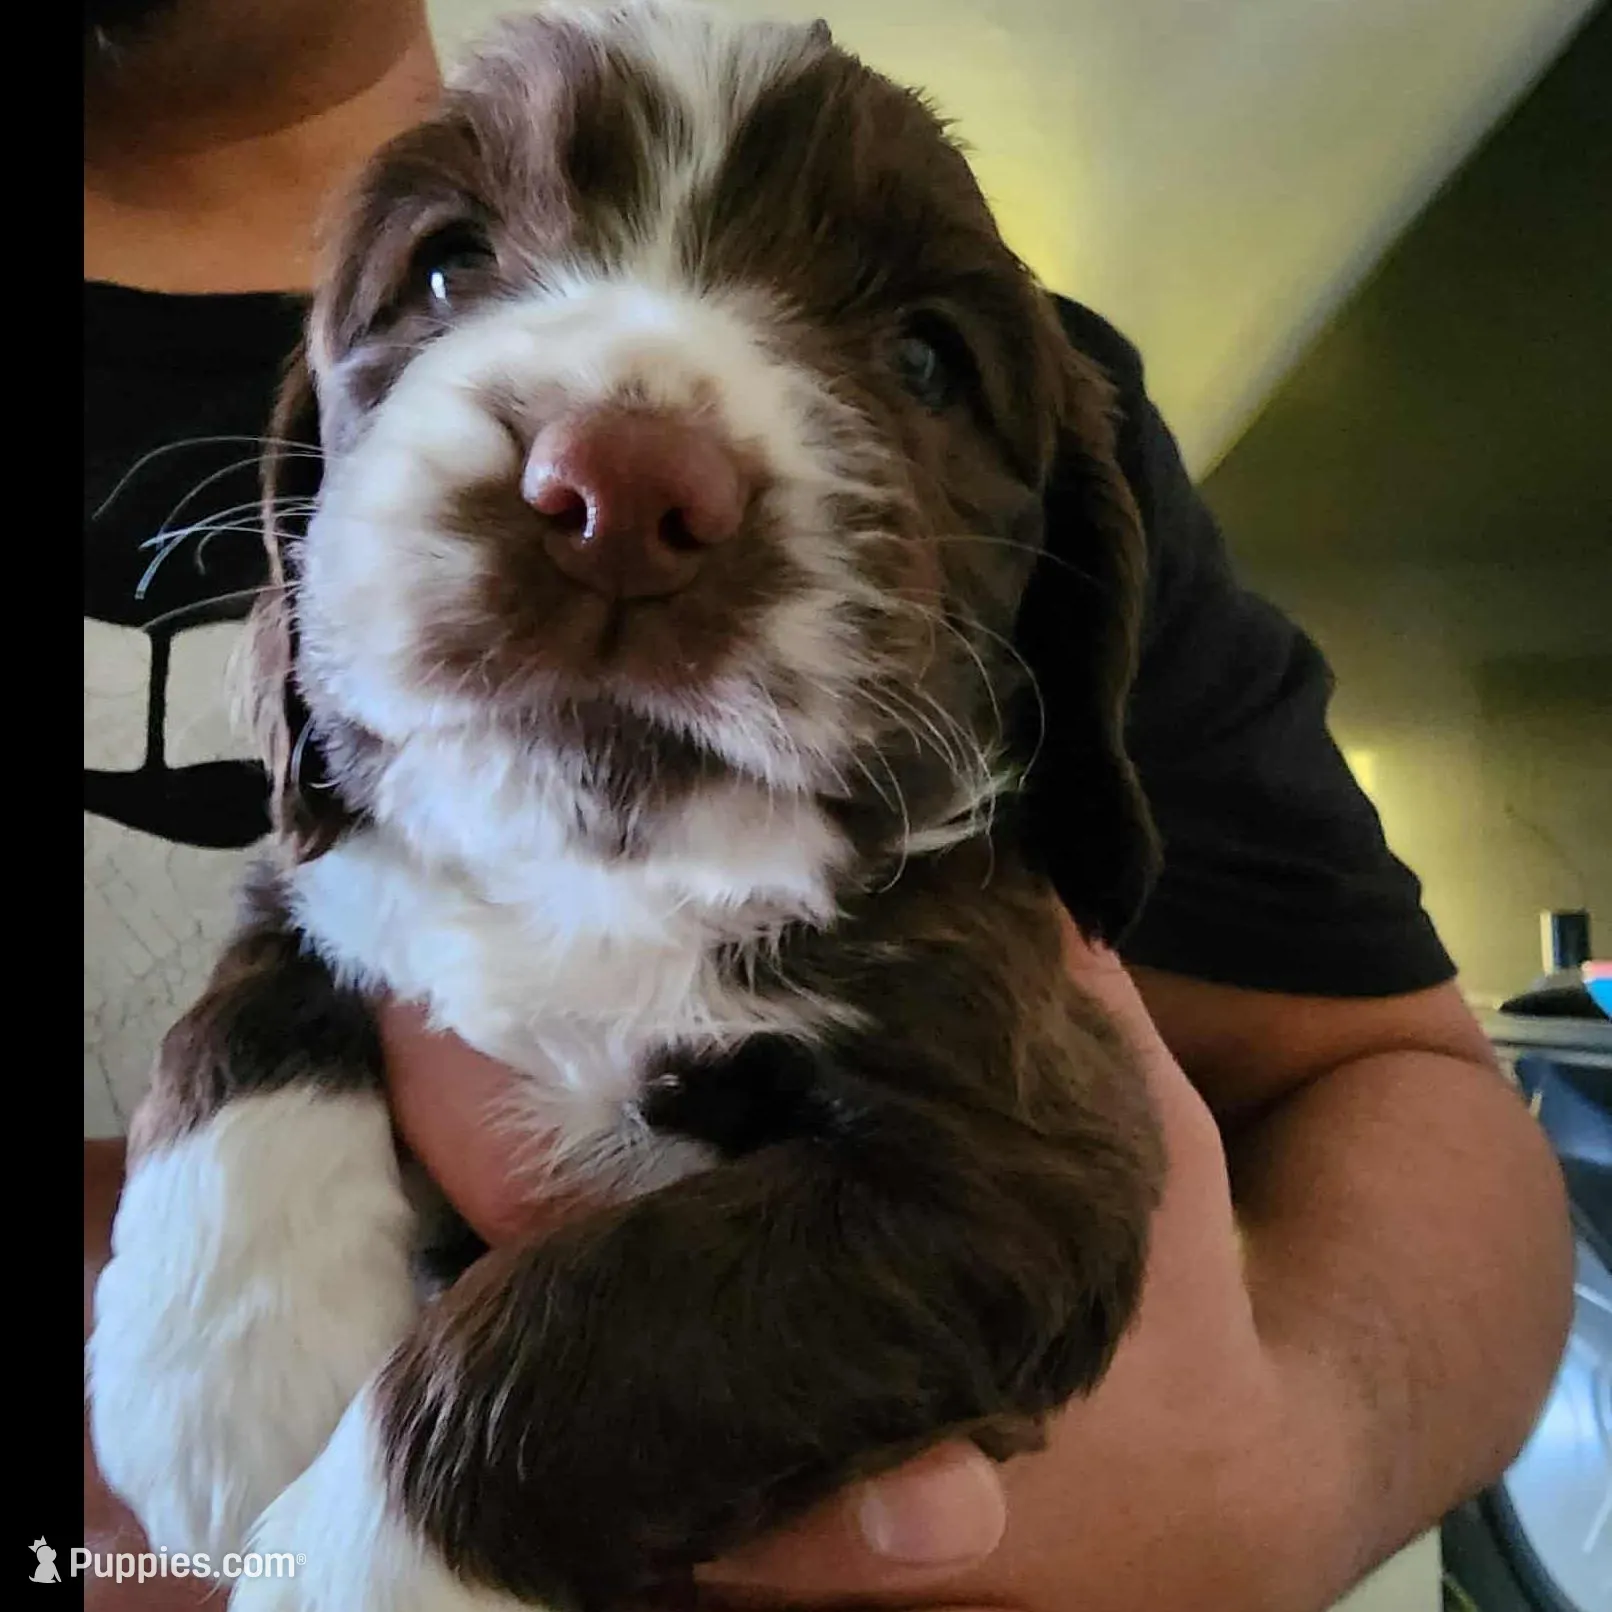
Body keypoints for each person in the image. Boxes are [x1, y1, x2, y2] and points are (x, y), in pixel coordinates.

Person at [83, 2, 1572, 1609]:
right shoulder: (342, 793)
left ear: (1053, 633)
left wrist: (1274, 1480)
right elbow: (317, 908)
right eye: (449, 272)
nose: (627, 464)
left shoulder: (1041, 584)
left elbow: (1391, 1083)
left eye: (918, 362)